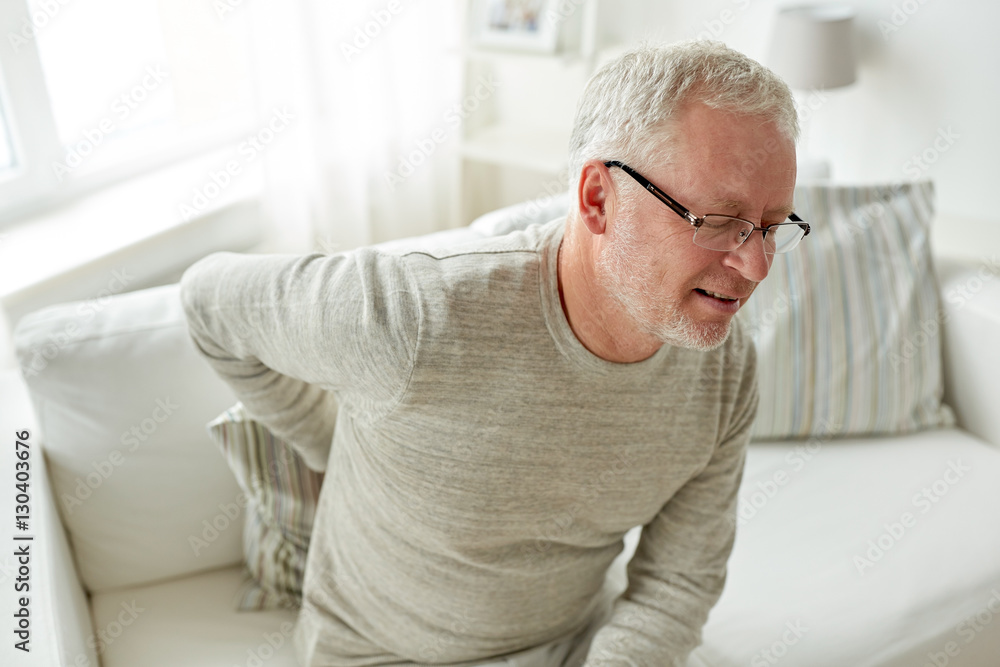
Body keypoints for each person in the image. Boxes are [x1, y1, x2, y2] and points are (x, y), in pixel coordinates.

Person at [180, 39, 803, 667]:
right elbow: (208, 302)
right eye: (720, 220)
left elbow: (678, 581)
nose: (756, 265)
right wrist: (332, 442)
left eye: (773, 226)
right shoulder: (416, 314)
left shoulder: (725, 366)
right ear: (598, 200)